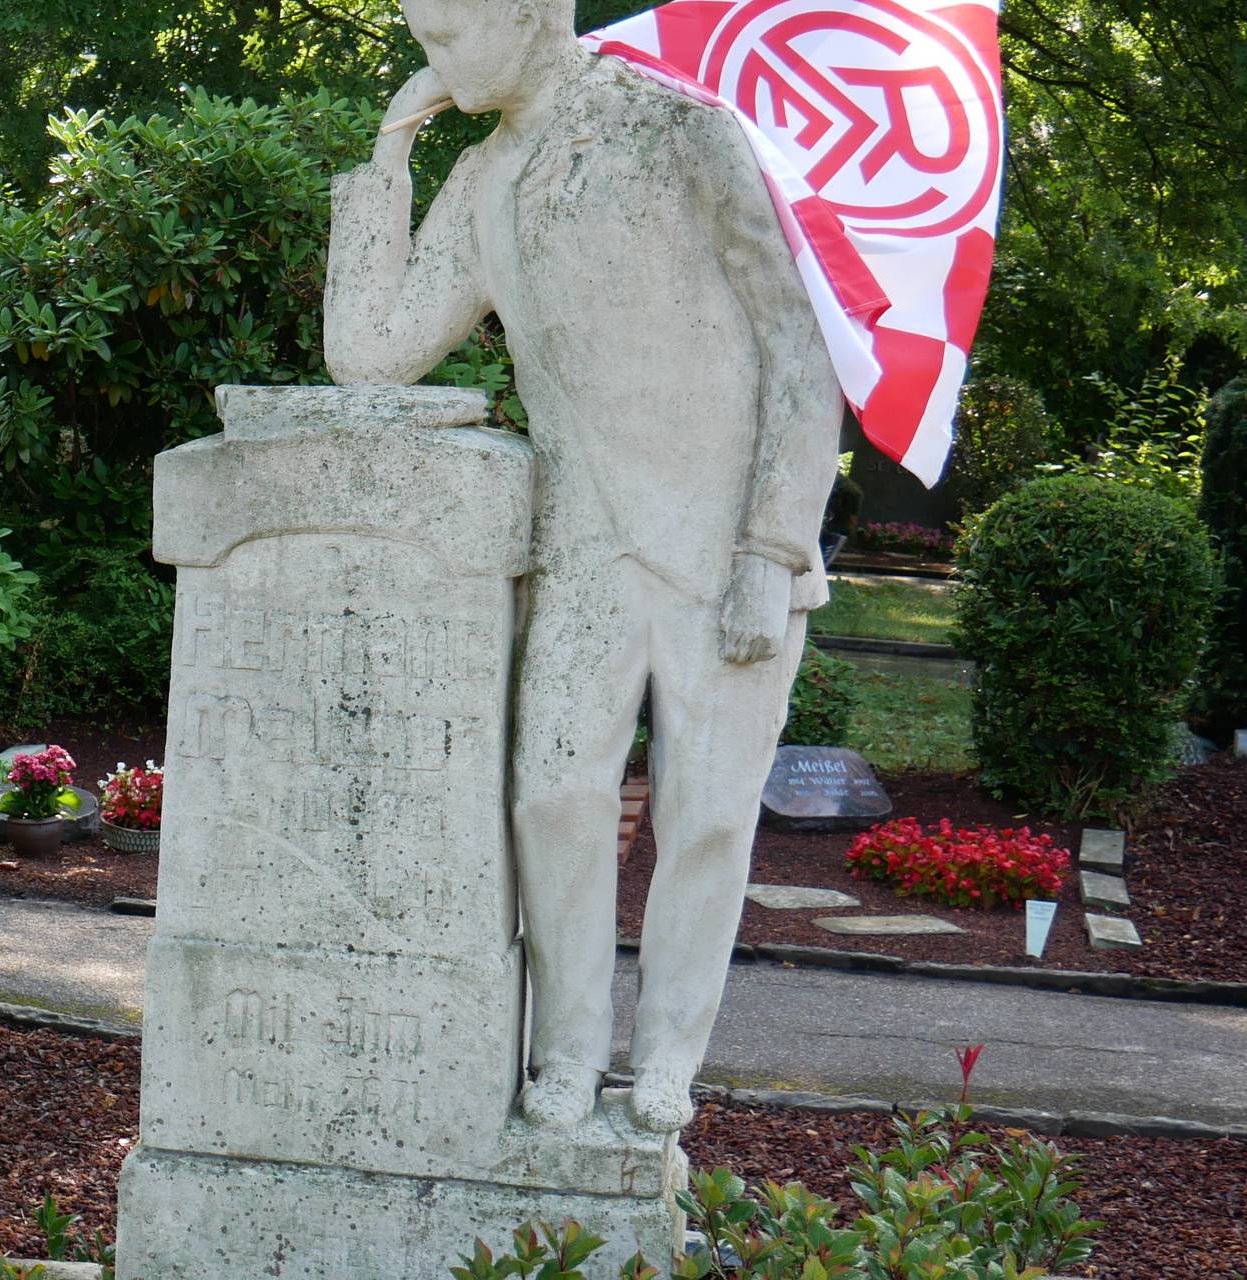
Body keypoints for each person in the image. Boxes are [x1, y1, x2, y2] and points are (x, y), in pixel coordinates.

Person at [322, 0, 839, 1132]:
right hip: (584, 548)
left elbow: (797, 338)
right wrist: (384, 168)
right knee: (554, 798)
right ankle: (563, 1055)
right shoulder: (482, 181)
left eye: (451, 35)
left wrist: (771, 544)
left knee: (705, 816)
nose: (436, 62)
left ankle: (664, 1060)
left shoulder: (676, 129)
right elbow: (371, 355)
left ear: (529, 13)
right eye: (422, 40)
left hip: (727, 549)